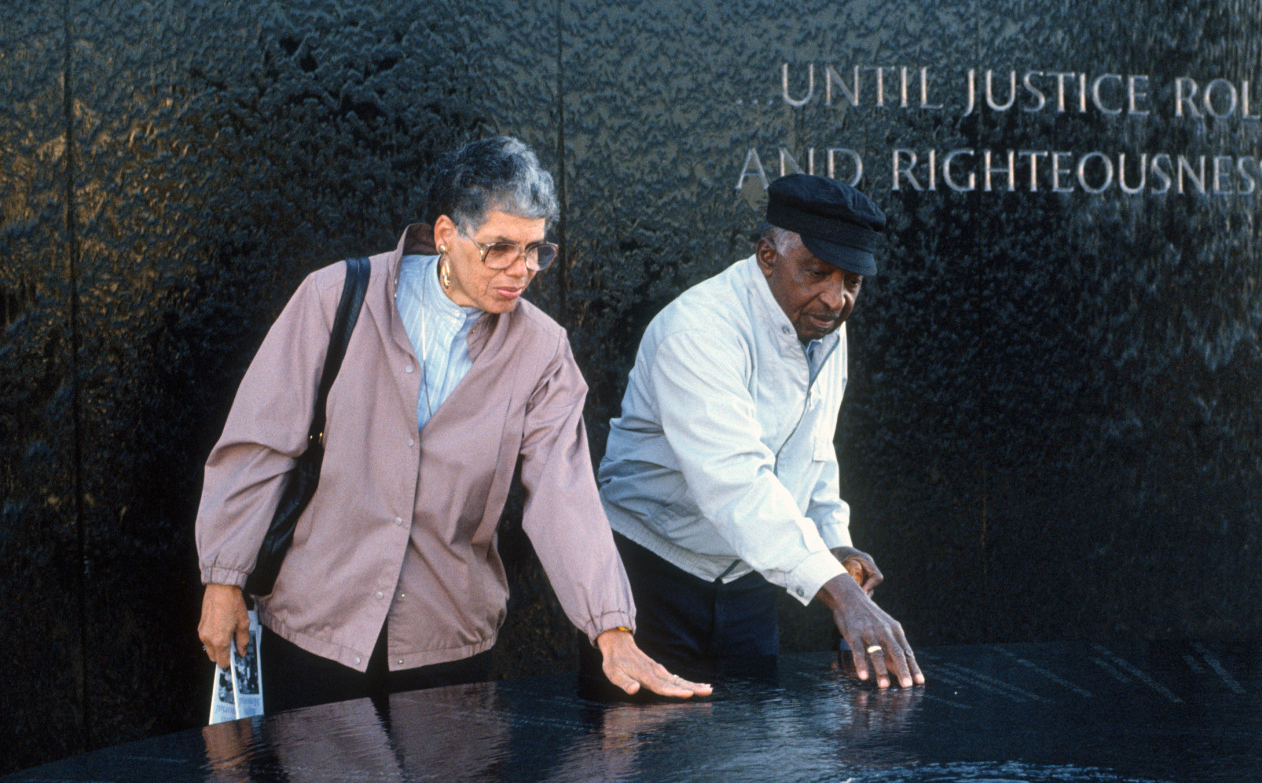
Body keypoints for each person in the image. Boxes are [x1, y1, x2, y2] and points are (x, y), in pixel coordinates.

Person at [196, 136, 709, 710]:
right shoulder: (337, 297)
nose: (523, 270)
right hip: (317, 628)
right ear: (446, 235)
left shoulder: (542, 350)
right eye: (500, 248)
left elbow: (565, 497)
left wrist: (610, 628)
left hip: (446, 644)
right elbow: (258, 445)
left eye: (538, 249)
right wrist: (224, 578)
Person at [597, 173, 922, 690]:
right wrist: (841, 595)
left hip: (749, 577)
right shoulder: (700, 330)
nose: (835, 300)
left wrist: (836, 544)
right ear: (767, 256)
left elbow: (813, 451)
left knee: (750, 759)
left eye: (852, 282)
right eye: (816, 272)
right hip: (650, 577)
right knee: (646, 759)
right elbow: (736, 482)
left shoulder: (823, 326)